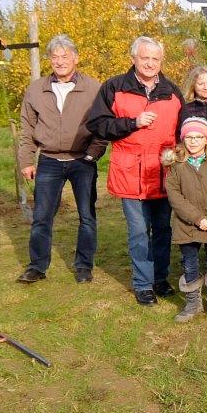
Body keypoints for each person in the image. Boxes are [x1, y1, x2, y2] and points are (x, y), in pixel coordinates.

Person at [86, 36, 183, 305]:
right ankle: (143, 284)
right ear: (133, 59)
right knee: (139, 231)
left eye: (155, 58)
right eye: (145, 58)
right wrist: (131, 123)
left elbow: (181, 132)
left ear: (161, 61)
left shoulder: (173, 92)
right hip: (131, 172)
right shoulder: (114, 87)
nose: (150, 63)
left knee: (163, 229)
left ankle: (160, 278)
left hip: (164, 171)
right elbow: (97, 123)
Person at [16, 34, 106, 284]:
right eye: (54, 57)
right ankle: (37, 266)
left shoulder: (93, 87)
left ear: (75, 58)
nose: (60, 61)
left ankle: (84, 266)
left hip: (82, 161)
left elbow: (103, 126)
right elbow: (27, 128)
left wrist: (94, 153)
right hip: (49, 161)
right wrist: (25, 161)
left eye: (65, 56)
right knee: (42, 216)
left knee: (87, 217)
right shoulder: (36, 89)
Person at [162, 117, 207, 323]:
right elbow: (174, 196)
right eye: (189, 137)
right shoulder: (176, 164)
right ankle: (193, 302)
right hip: (186, 224)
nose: (193, 141)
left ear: (206, 139)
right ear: (183, 139)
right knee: (190, 263)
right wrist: (198, 218)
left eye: (198, 137)